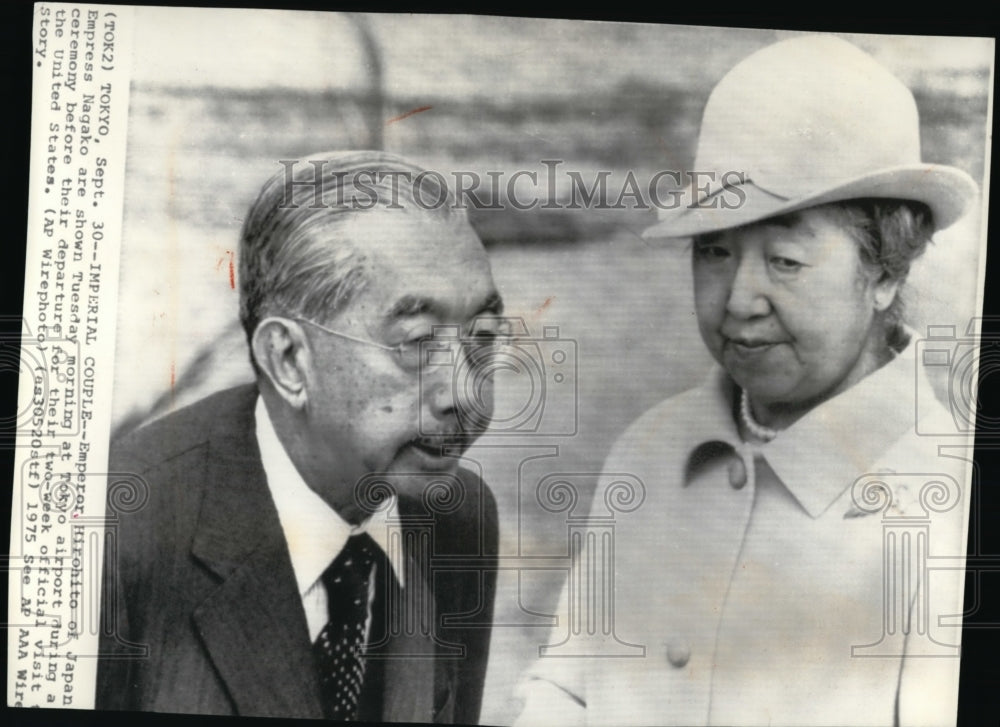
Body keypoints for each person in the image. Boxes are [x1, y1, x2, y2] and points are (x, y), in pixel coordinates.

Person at [515, 35, 977, 726]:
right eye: (714, 251)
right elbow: (566, 686)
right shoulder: (650, 451)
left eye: (785, 260)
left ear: (886, 269)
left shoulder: (946, 503)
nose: (738, 300)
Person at [96, 151, 503, 723]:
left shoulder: (459, 519)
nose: (464, 393)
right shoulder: (112, 536)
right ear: (287, 359)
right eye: (416, 342)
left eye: (483, 336)